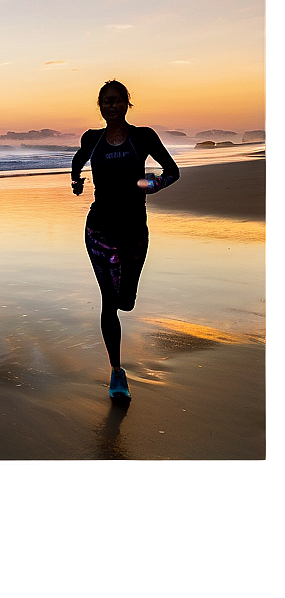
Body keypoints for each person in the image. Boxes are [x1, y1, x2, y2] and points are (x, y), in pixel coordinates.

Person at [70, 80, 180, 401]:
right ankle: (117, 372)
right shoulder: (92, 139)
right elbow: (78, 161)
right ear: (100, 106)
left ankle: (124, 300)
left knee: (125, 301)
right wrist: (77, 181)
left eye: (117, 101)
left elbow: (172, 171)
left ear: (127, 103)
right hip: (100, 232)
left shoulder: (143, 137)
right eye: (106, 102)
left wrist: (149, 185)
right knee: (108, 301)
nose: (112, 106)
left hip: (134, 232)